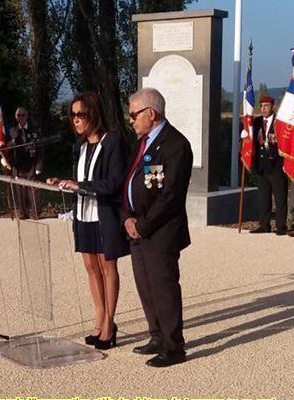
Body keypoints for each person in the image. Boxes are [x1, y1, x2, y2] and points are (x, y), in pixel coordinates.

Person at [47, 92, 129, 350]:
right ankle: (98, 318)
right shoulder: (80, 146)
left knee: (107, 268)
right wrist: (63, 183)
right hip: (83, 213)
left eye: (81, 114)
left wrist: (80, 185)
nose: (76, 120)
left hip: (103, 213)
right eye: (72, 115)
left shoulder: (112, 142)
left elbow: (115, 183)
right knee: (91, 269)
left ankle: (109, 323)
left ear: (93, 114)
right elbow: (80, 180)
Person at [123, 88, 193, 368]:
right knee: (145, 286)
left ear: (150, 113)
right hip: (136, 228)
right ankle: (157, 335)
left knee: (163, 287)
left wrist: (143, 224)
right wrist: (126, 217)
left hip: (160, 231)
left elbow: (171, 196)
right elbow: (127, 182)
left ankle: (174, 346)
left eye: (133, 115)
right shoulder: (142, 144)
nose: (130, 120)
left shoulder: (175, 145)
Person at [250, 95, 288, 235]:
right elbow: (251, 138)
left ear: (272, 107)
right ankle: (264, 225)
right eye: (262, 106)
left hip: (276, 165)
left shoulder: (279, 122)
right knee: (263, 197)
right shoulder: (257, 122)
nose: (263, 109)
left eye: (266, 106)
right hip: (262, 166)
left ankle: (281, 226)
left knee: (280, 197)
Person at [9, 107, 44, 219]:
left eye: (23, 115)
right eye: (19, 115)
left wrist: (39, 166)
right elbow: (7, 148)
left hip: (32, 163)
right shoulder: (12, 131)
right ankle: (23, 213)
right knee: (20, 190)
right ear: (16, 117)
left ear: (27, 116)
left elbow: (41, 149)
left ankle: (35, 213)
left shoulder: (35, 130)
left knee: (33, 189)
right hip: (18, 165)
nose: (21, 117)